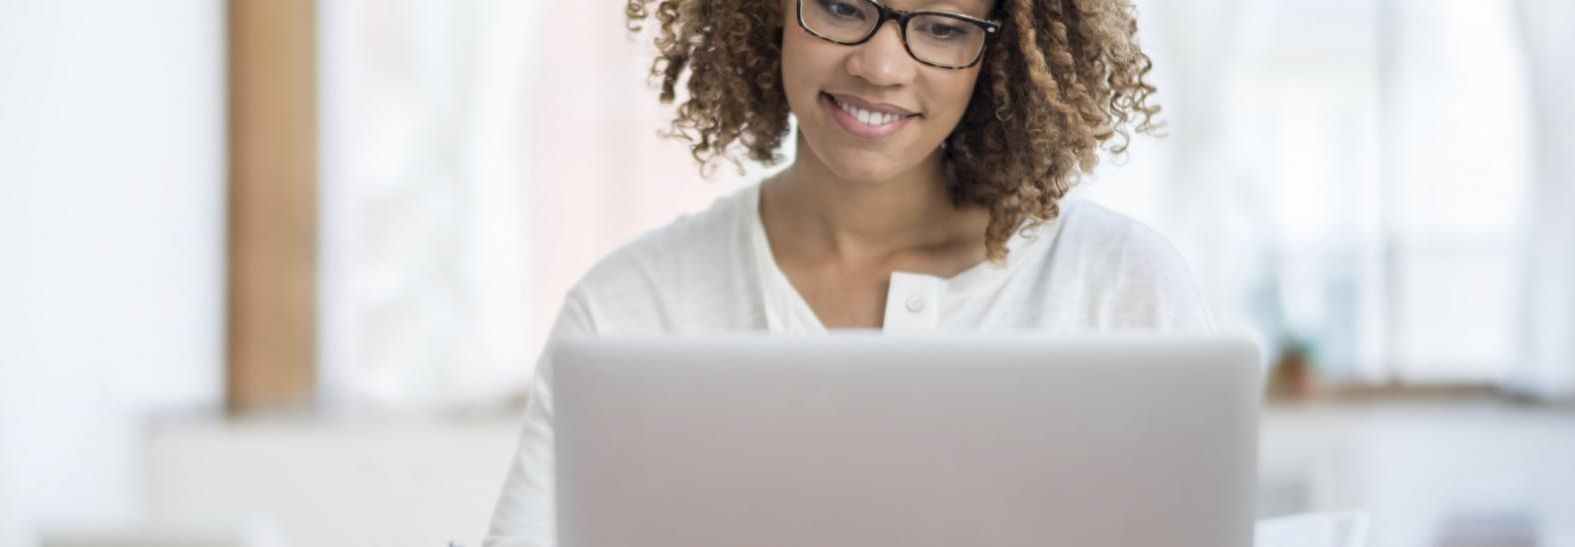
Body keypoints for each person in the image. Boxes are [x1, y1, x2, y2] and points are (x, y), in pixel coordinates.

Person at [485, 0, 1209, 544]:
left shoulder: (1118, 284)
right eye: (840, 5)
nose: (881, 67)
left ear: (1002, 52)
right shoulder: (627, 311)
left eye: (943, 27)